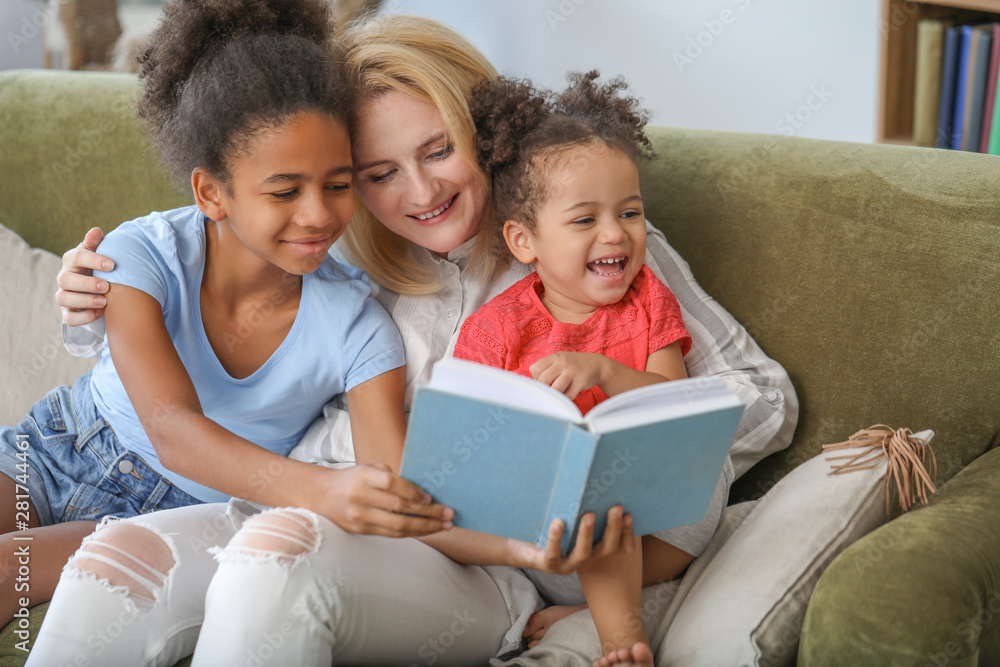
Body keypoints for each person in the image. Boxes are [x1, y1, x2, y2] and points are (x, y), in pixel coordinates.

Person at [40, 13, 798, 666]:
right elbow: (217, 260)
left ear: (484, 127)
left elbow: (764, 400)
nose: (421, 192)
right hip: (382, 523)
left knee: (275, 562)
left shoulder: (593, 234)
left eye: (438, 150)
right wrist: (89, 296)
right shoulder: (337, 251)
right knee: (117, 560)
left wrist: (633, 423)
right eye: (378, 174)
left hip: (535, 561)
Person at [9, 0, 454, 643]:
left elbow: (392, 482)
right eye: (284, 191)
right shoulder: (143, 254)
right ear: (211, 192)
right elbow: (170, 427)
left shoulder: (358, 325)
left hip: (183, 510)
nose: (318, 215)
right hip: (62, 446)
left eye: (337, 184)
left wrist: (530, 554)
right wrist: (320, 492)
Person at [450, 71, 712, 667]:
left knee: (630, 487)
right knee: (589, 499)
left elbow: (677, 402)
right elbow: (471, 451)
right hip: (550, 544)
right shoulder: (496, 329)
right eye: (584, 219)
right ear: (524, 241)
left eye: (630, 212)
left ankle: (616, 635)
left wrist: (606, 372)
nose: (615, 233)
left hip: (660, 529)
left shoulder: (647, 298)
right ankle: (609, 623)